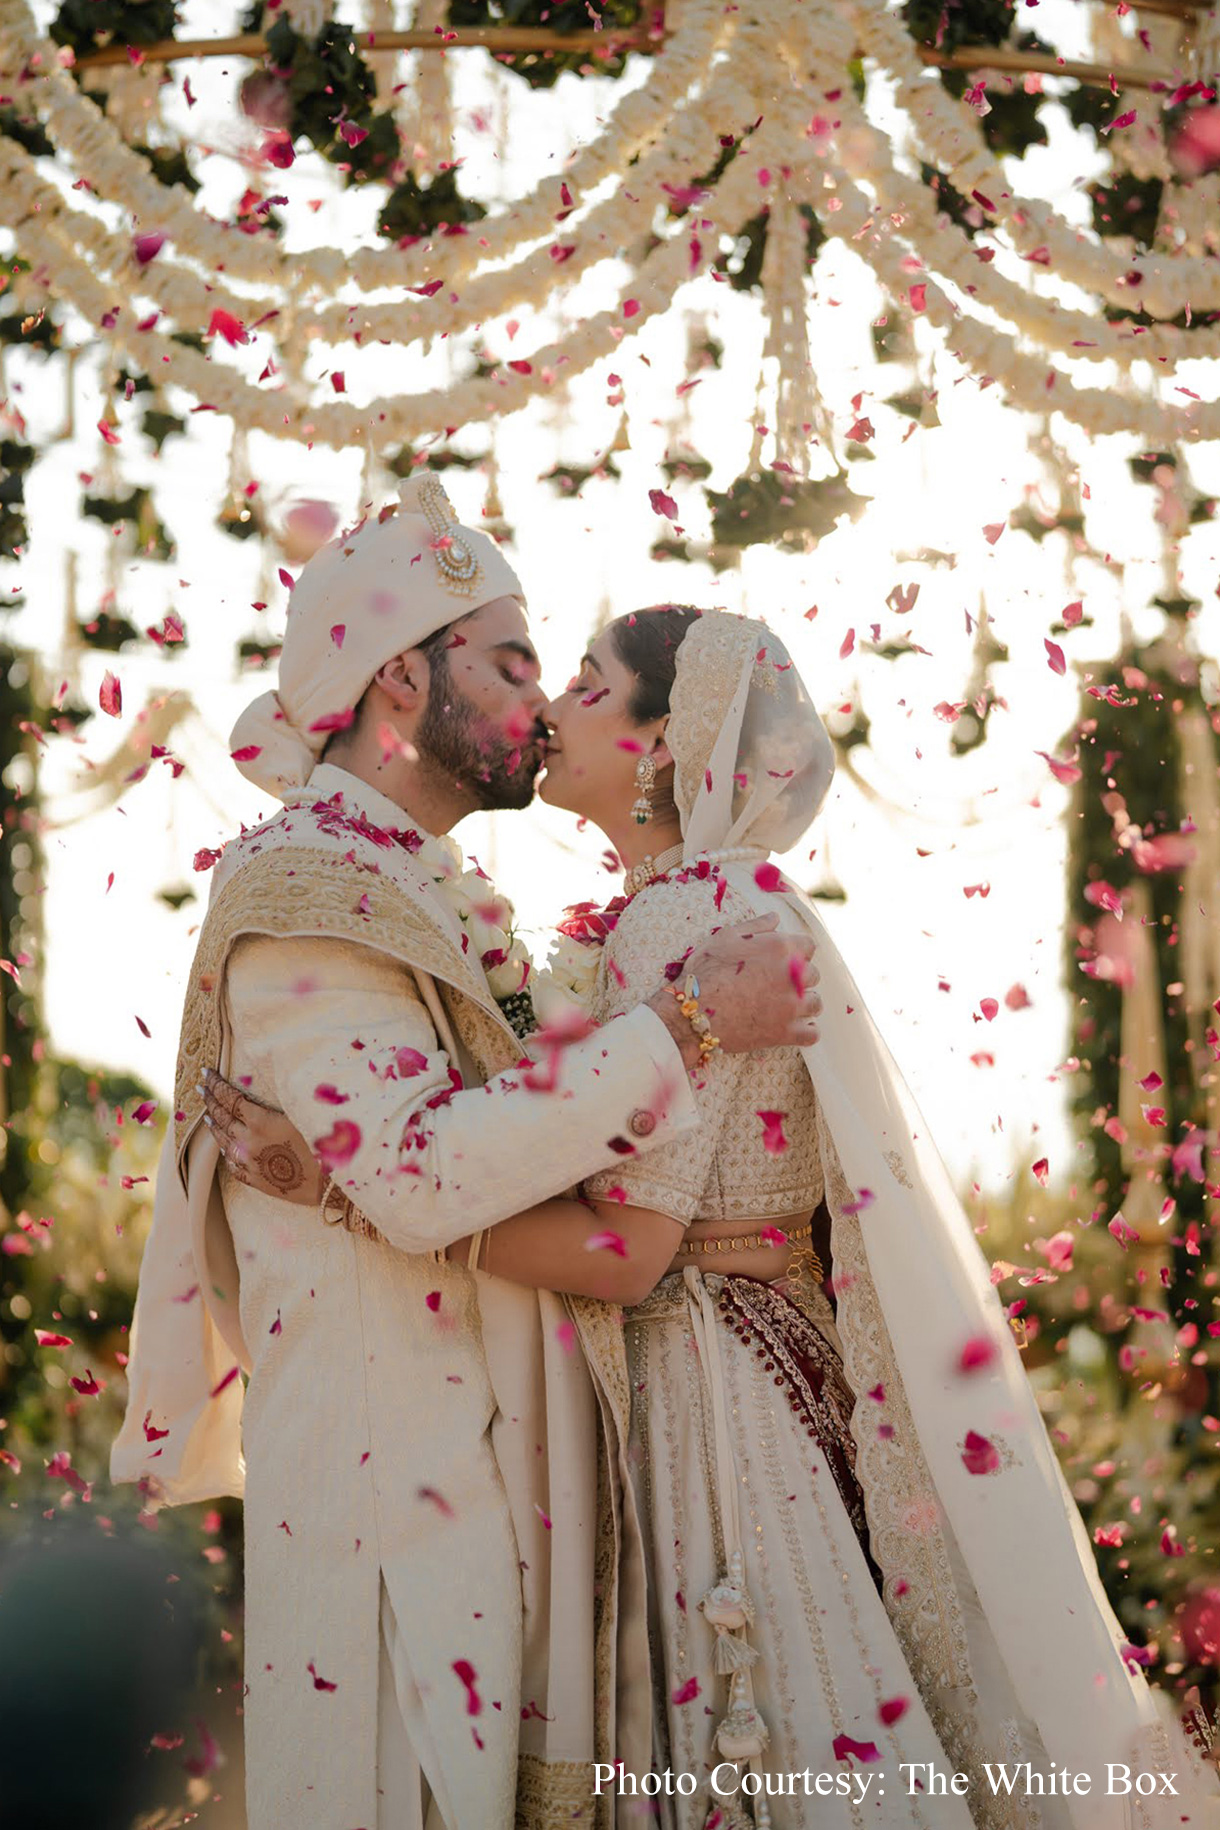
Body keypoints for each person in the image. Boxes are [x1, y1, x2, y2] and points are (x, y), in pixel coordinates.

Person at [209, 606, 1220, 1830]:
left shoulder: (680, 925)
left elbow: (627, 1257)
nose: (551, 707)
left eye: (584, 682)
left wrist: (339, 1184)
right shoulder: (712, 905)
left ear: (658, 746)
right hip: (758, 1347)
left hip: (709, 1394)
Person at [110, 485, 821, 1830]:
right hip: (393, 1511)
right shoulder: (305, 887)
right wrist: (682, 1024)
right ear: (399, 682)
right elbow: (420, 1174)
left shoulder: (424, 880)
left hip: (482, 1490)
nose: (540, 701)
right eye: (506, 662)